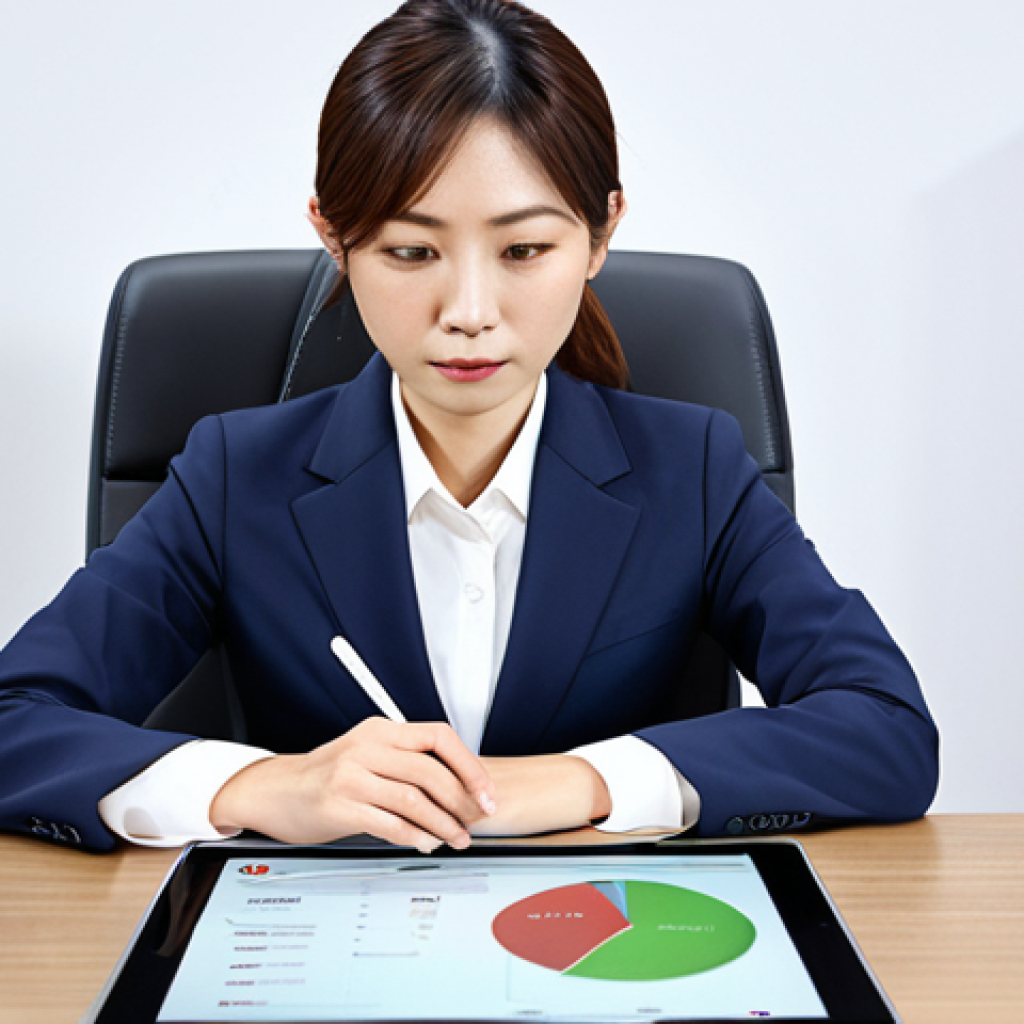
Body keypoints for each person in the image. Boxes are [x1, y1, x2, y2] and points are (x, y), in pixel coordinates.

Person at [0, 0, 938, 855]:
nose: (470, 310)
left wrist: (584, 782)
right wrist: (264, 785)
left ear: (601, 232)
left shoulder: (692, 469)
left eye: (525, 249)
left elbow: (884, 727)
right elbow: (16, 720)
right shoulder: (235, 478)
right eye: (411, 251)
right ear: (334, 234)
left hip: (615, 957)